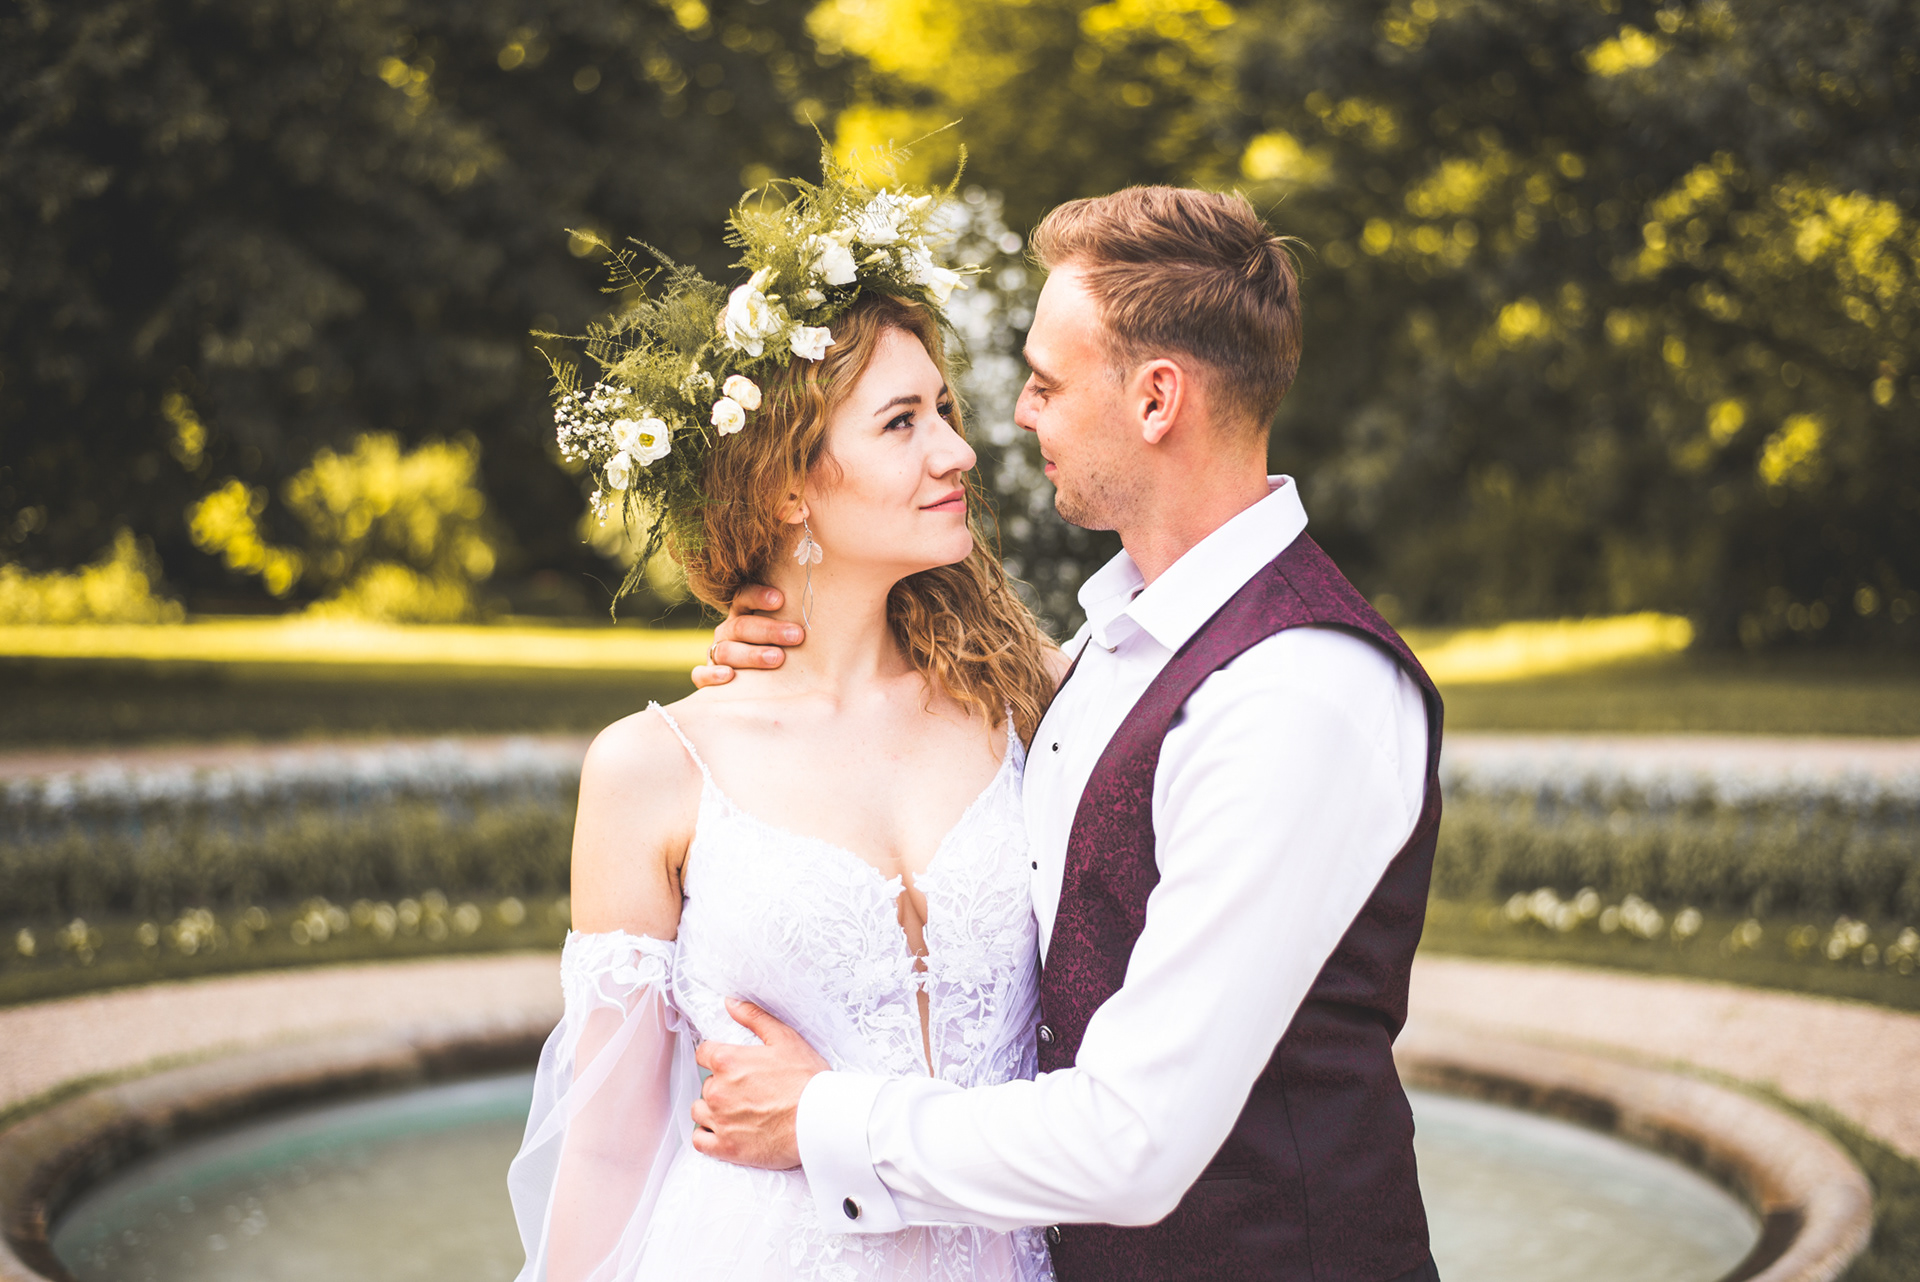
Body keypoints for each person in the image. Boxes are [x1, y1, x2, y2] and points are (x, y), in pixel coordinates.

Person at [691, 186, 1446, 1282]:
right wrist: (794, 649)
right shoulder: (1111, 648)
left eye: (1045, 383)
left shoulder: (1295, 694)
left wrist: (821, 1118)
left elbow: (1133, 1139)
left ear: (1156, 400)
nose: (1012, 419)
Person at [506, 157, 1063, 1280]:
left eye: (943, 411)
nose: (956, 450)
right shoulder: (653, 769)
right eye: (901, 423)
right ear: (788, 487)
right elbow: (608, 1151)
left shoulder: (1030, 699)